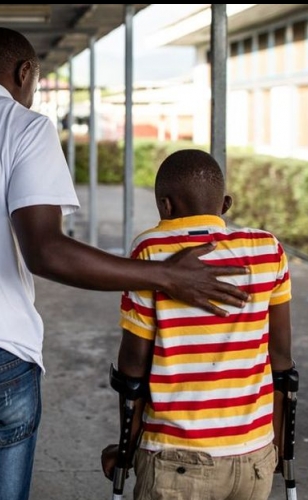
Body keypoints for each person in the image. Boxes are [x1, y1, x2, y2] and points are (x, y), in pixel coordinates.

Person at [0, 28, 250, 500]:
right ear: (25, 72)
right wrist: (165, 275)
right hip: (2, 360)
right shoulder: (24, 127)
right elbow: (46, 251)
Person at [101, 149, 294, 500]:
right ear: (226, 203)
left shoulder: (152, 251)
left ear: (165, 206)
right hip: (254, 457)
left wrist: (126, 449)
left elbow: (133, 370)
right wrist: (278, 444)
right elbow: (281, 360)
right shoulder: (268, 250)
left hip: (176, 458)